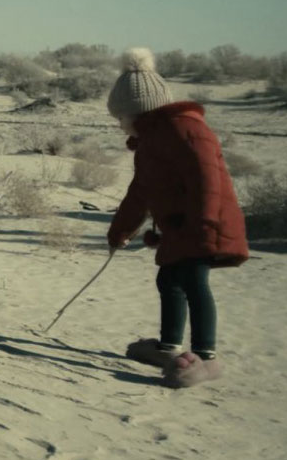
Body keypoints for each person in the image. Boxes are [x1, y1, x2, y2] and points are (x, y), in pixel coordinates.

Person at [105, 47, 248, 388]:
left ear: (138, 111)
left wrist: (203, 223)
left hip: (201, 225)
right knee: (168, 280)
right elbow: (140, 192)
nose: (119, 125)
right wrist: (120, 230)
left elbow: (207, 180)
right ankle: (169, 348)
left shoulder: (186, 130)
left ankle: (206, 357)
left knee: (194, 283)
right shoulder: (152, 141)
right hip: (179, 228)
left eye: (121, 117)